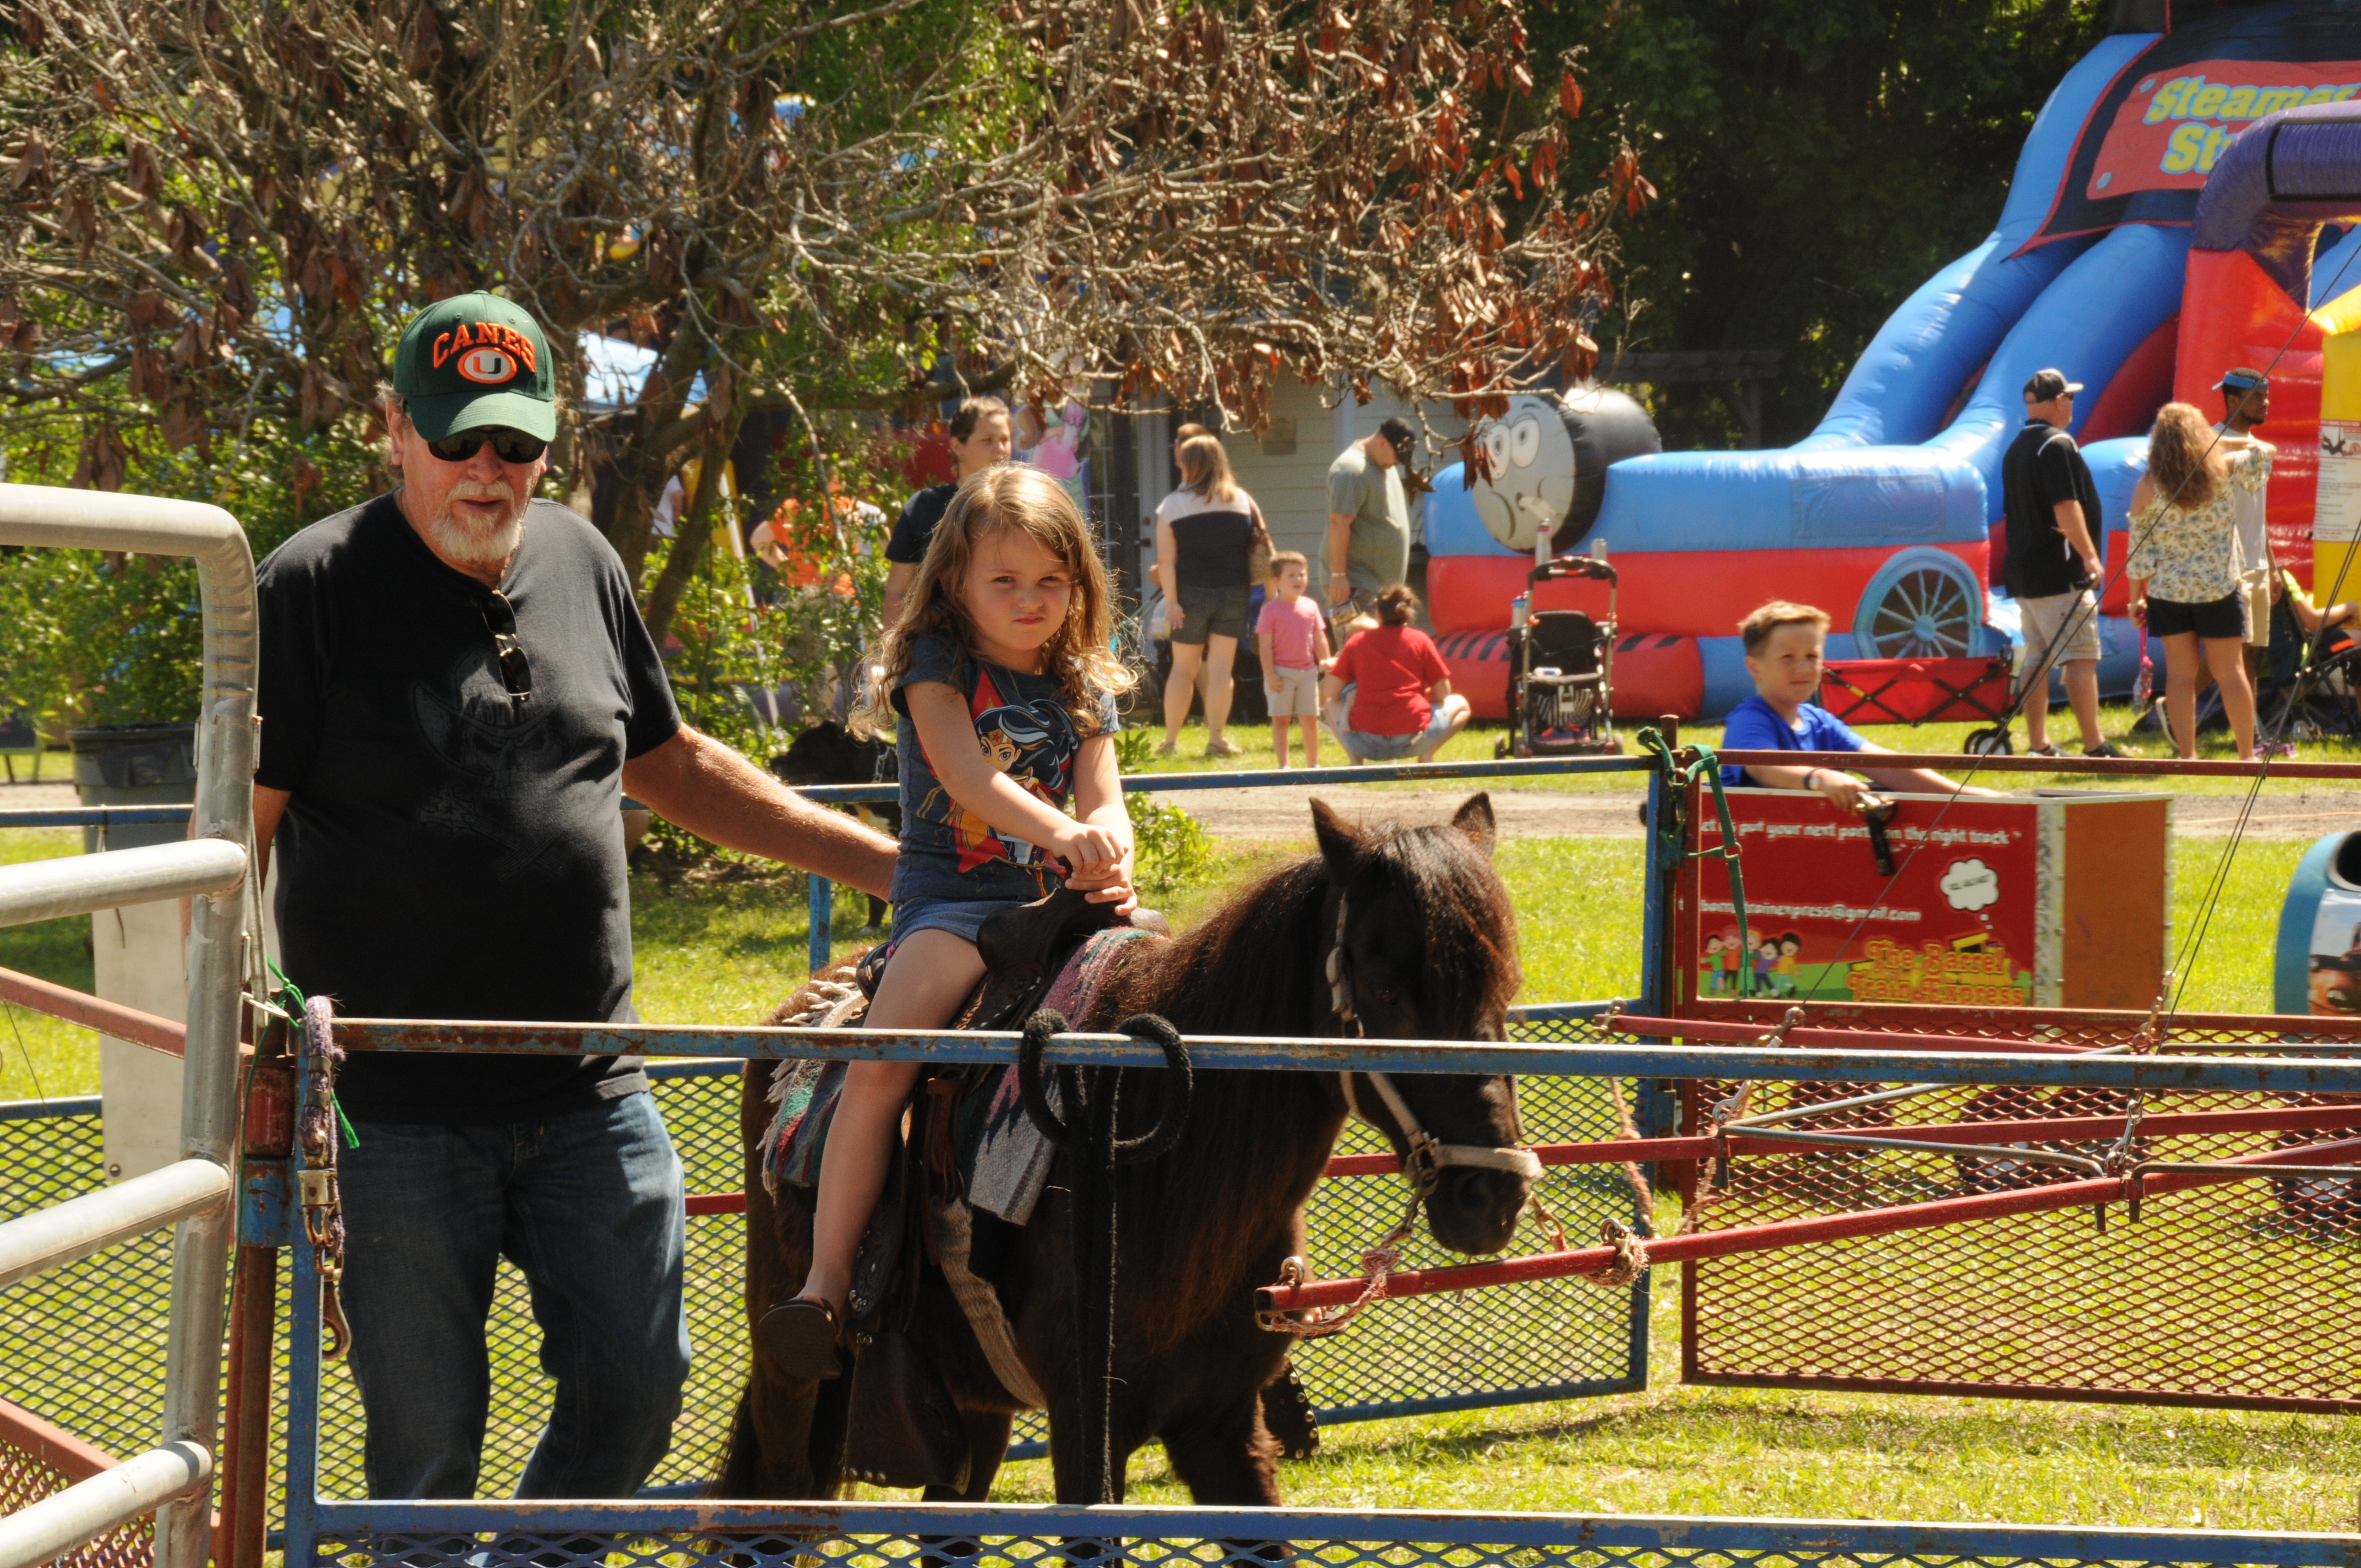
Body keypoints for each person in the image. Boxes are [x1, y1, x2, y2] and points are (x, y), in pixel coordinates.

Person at [251, 291, 899, 1500]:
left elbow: (672, 762)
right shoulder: (310, 586)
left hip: (589, 1088)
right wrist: (231, 1039)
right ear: (393, 430)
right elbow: (237, 832)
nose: (487, 472)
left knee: (642, 1386)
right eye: (456, 441)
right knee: (427, 1445)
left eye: (517, 442)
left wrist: (893, 868)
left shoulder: (584, 560)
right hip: (390, 1110)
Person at [763, 464, 1137, 1373]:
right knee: (885, 1062)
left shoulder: (1082, 679)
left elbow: (1105, 793)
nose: (1029, 599)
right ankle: (823, 1278)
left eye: (1051, 581)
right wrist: (1063, 832)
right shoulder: (937, 663)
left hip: (1061, 902)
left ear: (1078, 586)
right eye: (1003, 580)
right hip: (956, 904)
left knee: (1178, 1003)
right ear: (956, 581)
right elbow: (969, 776)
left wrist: (1107, 846)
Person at [1721, 601, 2004, 809]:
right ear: (1755, 668)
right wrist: (1821, 778)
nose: (1803, 668)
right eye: (1787, 658)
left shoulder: (1820, 723)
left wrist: (1967, 797)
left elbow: (1885, 766)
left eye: (1812, 656)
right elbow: (1763, 767)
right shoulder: (1750, 719)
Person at [2128, 401, 2265, 762]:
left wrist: (2134, 599)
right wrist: (2218, 443)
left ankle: (2188, 756)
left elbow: (2139, 551)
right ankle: (2246, 756)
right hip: (2218, 586)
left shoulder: (2147, 486)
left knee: (2179, 677)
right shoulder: (2223, 471)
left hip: (2168, 593)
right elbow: (2265, 452)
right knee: (2231, 671)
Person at [2001, 368, 2123, 759]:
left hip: (2024, 571)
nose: (2072, 403)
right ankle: (2094, 745)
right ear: (2057, 402)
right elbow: (2065, 507)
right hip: (2058, 572)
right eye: (2069, 397)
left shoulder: (2017, 448)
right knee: (2081, 657)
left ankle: (2039, 744)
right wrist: (2089, 555)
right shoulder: (2057, 445)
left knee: (2037, 656)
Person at [1154, 433, 1264, 756]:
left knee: (1183, 670)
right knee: (1220, 670)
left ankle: (1171, 741)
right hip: (1234, 592)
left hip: (1191, 595)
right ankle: (1217, 739)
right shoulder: (1242, 500)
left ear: (1188, 465)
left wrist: (1172, 601)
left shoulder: (1174, 505)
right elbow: (1261, 541)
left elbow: (1165, 560)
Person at [882, 396, 1013, 626]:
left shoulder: (1025, 507)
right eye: (988, 440)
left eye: (1005, 439)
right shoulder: (923, 507)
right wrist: (893, 652)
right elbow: (898, 591)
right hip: (937, 648)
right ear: (956, 446)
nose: (1000, 449)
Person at [1319, 584, 1470, 763]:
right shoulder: (1420, 640)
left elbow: (1330, 693)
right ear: (1408, 611)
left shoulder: (1357, 642)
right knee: (1461, 704)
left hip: (1365, 742)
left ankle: (1355, 761)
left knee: (1330, 704)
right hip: (1414, 740)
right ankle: (1427, 755)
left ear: (1378, 613)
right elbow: (1444, 693)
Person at [1325, 416, 1417, 641]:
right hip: (1354, 587)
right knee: (1357, 655)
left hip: (1380, 588)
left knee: (1382, 657)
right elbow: (1339, 523)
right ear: (1383, 443)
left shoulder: (1383, 465)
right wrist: (1338, 576)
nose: (1398, 463)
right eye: (1398, 457)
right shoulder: (1351, 470)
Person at [1256, 551, 1332, 767]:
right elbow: (1265, 646)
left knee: (1310, 719)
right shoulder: (1270, 610)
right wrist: (1270, 675)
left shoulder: (1311, 606)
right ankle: (1284, 766)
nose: (1299, 579)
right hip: (1281, 673)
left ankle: (1313, 765)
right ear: (1277, 581)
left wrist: (1326, 663)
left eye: (1302, 574)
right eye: (1292, 575)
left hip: (1307, 673)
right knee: (1282, 720)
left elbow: (1319, 638)